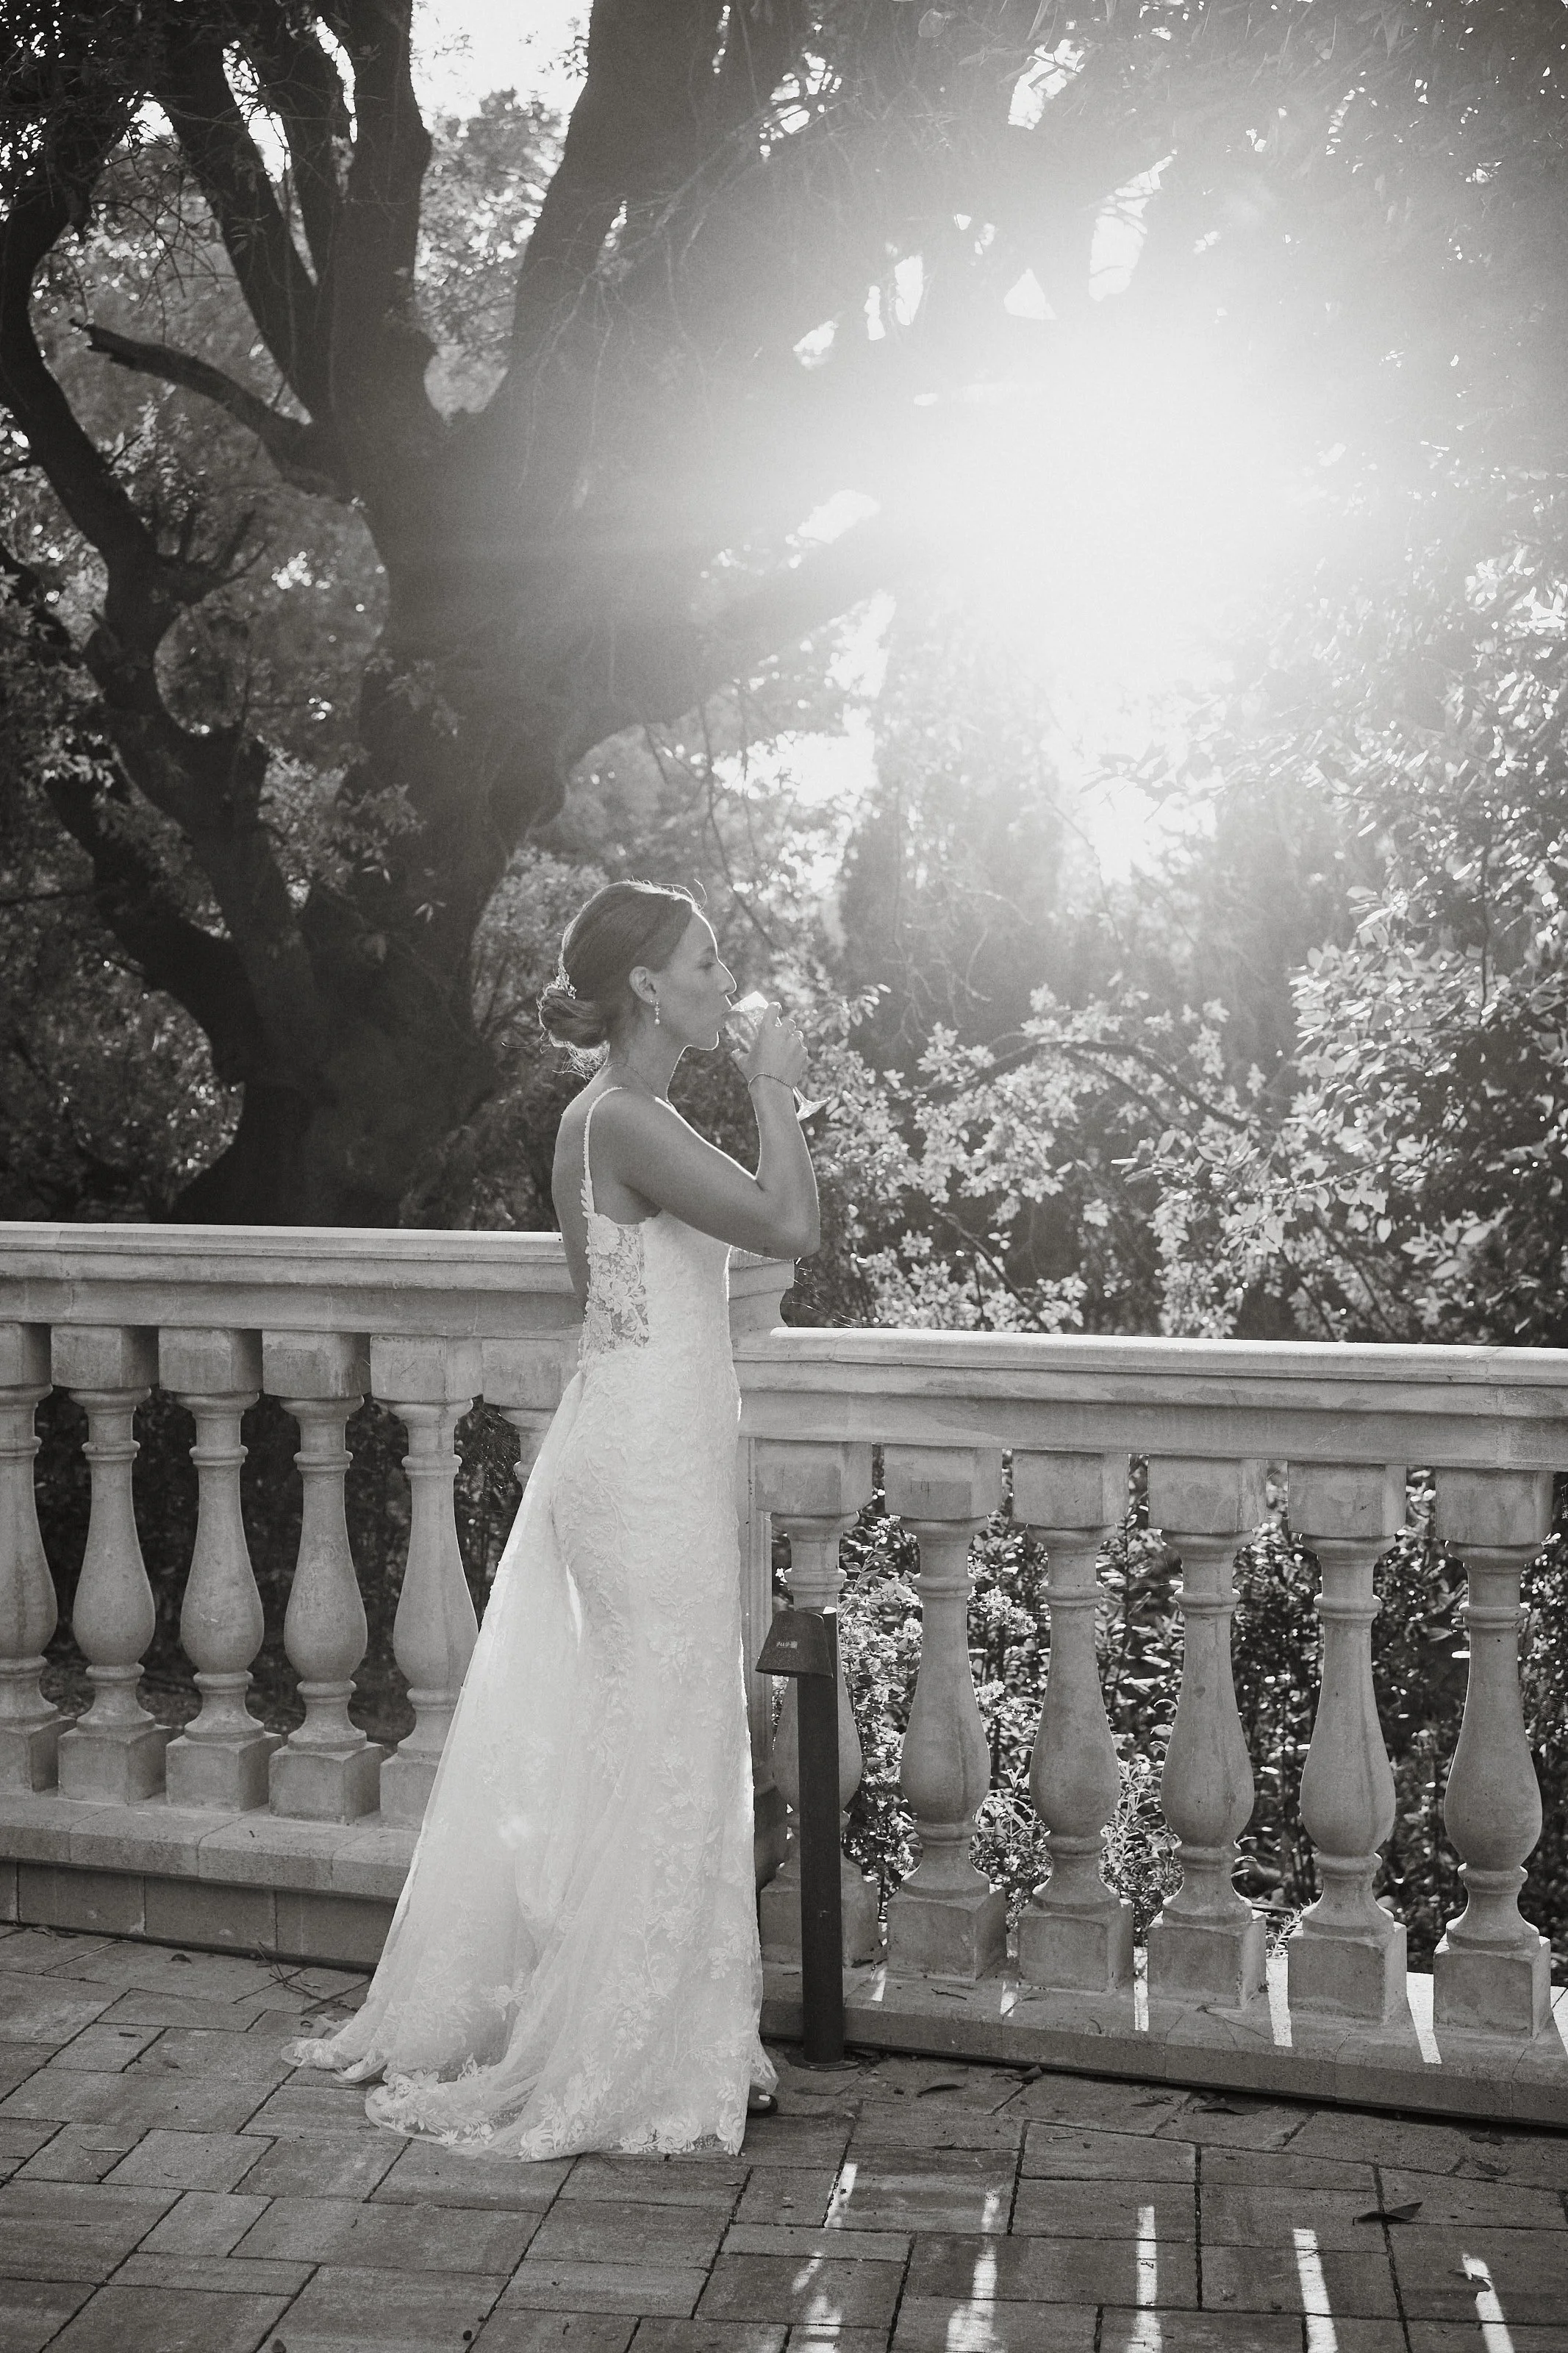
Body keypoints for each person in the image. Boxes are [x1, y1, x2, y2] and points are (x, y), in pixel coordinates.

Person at [285, 879, 819, 2159]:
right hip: (645, 1467)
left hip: (634, 1445)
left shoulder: (605, 1119)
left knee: (655, 1738)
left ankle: (682, 2024)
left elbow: (698, 1268)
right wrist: (778, 1086)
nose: (720, 976)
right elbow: (791, 1225)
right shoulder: (629, 1120)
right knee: (672, 1735)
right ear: (648, 987)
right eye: (704, 960)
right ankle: (635, 2051)